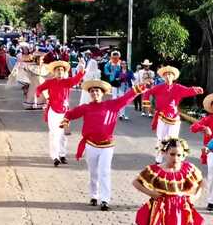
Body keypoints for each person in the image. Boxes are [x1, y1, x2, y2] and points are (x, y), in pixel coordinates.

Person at [61, 79, 149, 210]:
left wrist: (138, 88)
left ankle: (105, 200)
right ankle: (94, 195)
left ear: (102, 93)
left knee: (104, 172)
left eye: (97, 91)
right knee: (93, 172)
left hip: (107, 146)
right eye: (92, 91)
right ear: (89, 94)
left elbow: (126, 97)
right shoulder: (86, 107)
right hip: (91, 145)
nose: (94, 93)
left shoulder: (112, 105)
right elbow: (71, 113)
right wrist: (66, 120)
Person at [147, 66, 203, 162]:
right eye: (166, 74)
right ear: (163, 77)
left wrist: (196, 89)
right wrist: (147, 105)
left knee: (173, 140)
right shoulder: (158, 87)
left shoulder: (177, 87)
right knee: (161, 139)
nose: (168, 76)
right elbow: (147, 92)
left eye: (170, 74)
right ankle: (158, 160)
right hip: (162, 117)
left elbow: (188, 90)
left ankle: (173, 159)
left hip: (174, 118)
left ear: (173, 77)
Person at [35, 60, 85, 167]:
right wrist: (39, 94)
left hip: (64, 113)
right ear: (54, 72)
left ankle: (62, 155)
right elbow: (39, 88)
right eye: (58, 70)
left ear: (64, 72)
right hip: (53, 111)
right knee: (54, 134)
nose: (60, 72)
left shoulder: (67, 82)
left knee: (63, 135)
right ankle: (55, 157)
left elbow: (76, 80)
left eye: (62, 70)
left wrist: (81, 70)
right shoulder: (50, 82)